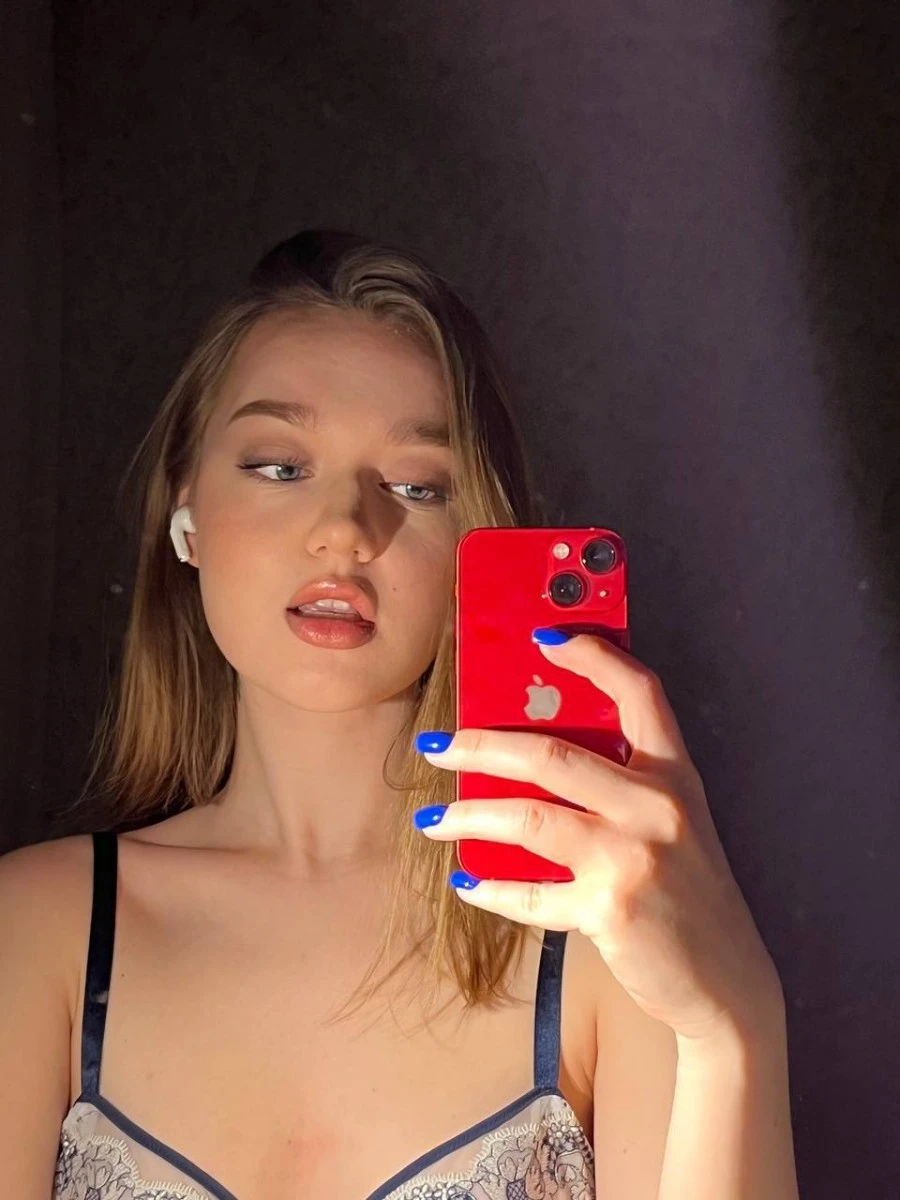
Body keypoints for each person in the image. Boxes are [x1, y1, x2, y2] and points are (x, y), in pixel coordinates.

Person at [0, 230, 797, 1200]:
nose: (345, 529)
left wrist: (733, 1025)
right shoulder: (38, 931)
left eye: (417, 487)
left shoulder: (601, 936)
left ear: (479, 545)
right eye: (278, 466)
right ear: (186, 509)